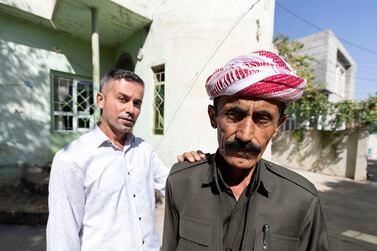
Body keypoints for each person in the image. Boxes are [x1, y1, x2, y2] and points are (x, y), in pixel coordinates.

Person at [162, 50, 330, 251]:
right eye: (234, 114)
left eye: (262, 119)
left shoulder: (302, 200)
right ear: (213, 117)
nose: (245, 134)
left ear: (278, 125)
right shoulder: (181, 182)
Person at [46, 69, 200, 251]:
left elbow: (173, 187)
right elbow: (62, 237)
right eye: (122, 99)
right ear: (100, 100)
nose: (131, 110)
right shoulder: (72, 158)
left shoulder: (144, 150)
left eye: (137, 103)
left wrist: (191, 167)